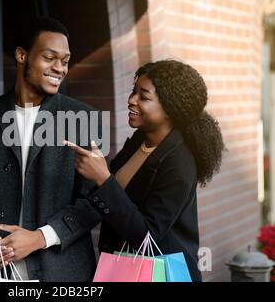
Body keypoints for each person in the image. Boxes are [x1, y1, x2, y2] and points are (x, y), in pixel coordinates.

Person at [0, 17, 102, 282]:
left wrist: (40, 238)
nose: (59, 68)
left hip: (64, 274)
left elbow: (94, 201)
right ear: (22, 55)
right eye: (49, 57)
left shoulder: (83, 119)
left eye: (65, 61)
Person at [65, 60, 225, 282]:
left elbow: (147, 236)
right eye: (133, 91)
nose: (132, 100)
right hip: (122, 268)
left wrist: (103, 178)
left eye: (144, 96)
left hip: (161, 274)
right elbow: (116, 194)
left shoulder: (179, 163)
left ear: (170, 108)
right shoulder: (141, 140)